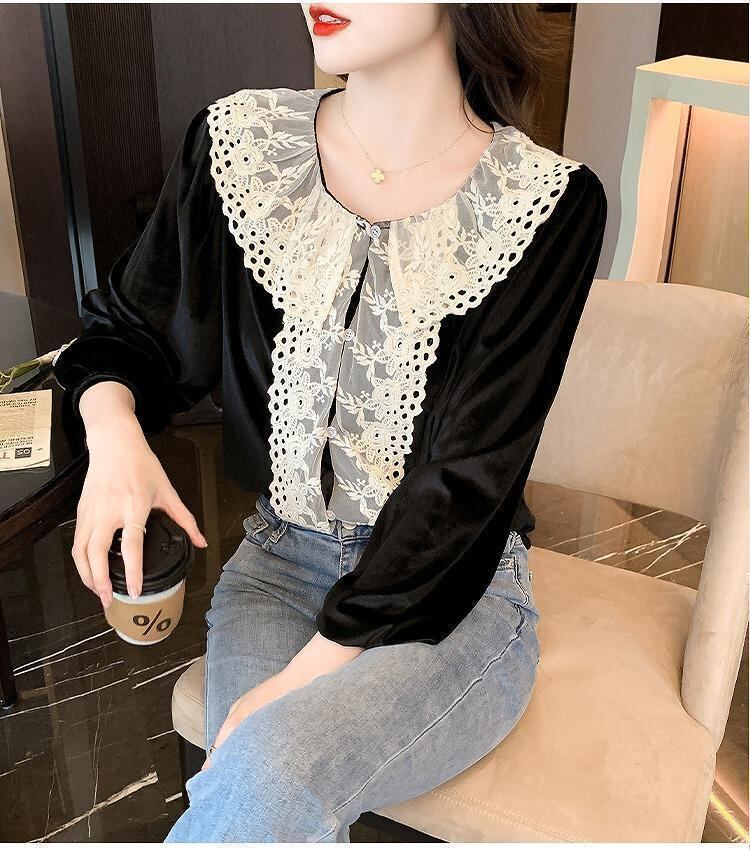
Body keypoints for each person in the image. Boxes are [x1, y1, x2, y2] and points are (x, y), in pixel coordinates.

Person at [54, 3, 607, 842]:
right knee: (259, 799)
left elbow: (470, 480)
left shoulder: (545, 203)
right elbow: (130, 332)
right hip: (279, 566)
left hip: (454, 594)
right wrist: (114, 437)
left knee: (265, 771)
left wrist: (309, 674)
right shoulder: (241, 145)